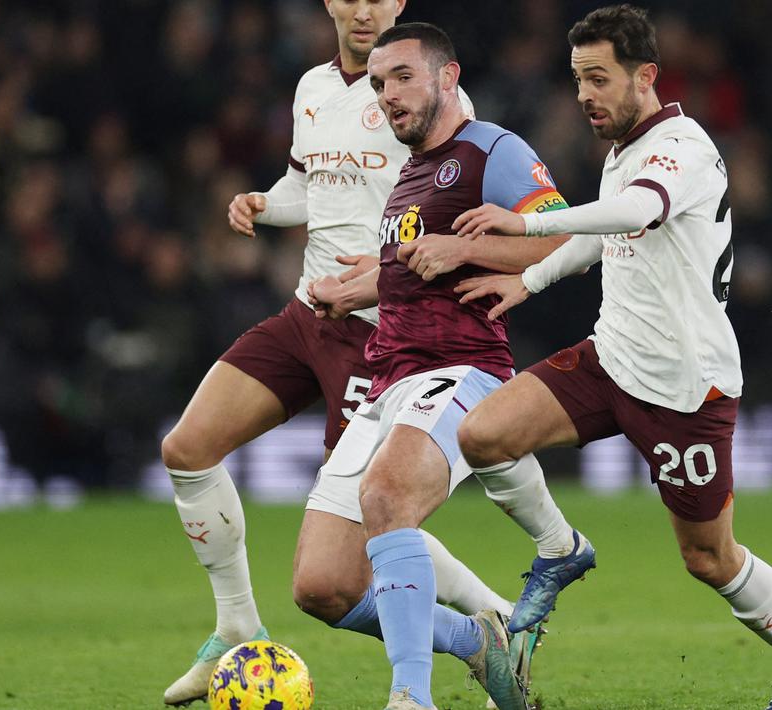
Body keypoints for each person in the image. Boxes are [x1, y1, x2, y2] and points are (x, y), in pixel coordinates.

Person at [451, 6, 772, 709]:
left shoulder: (679, 147)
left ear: (645, 76)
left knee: (707, 558)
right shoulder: (623, 148)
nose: (584, 95)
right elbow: (607, 232)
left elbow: (635, 213)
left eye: (598, 78)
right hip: (610, 358)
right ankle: (559, 548)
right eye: (576, 81)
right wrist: (529, 279)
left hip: (685, 390)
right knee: (482, 435)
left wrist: (525, 223)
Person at [161, 2, 528, 705]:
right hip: (307, 311)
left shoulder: (424, 93)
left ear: (398, 5)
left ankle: (498, 619)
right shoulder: (312, 88)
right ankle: (236, 625)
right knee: (188, 447)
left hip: (380, 328)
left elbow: (454, 195)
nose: (362, 9)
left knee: (371, 520)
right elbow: (312, 187)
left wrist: (387, 263)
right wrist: (264, 205)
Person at [304, 22, 571, 710]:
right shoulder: (409, 176)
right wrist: (352, 290)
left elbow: (570, 239)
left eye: (402, 77)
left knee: (388, 500)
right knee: (322, 586)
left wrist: (463, 250)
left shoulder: (491, 150)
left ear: (447, 77)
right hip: (387, 380)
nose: (387, 95)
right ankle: (477, 639)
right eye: (377, 84)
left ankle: (408, 698)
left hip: (462, 369)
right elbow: (414, 271)